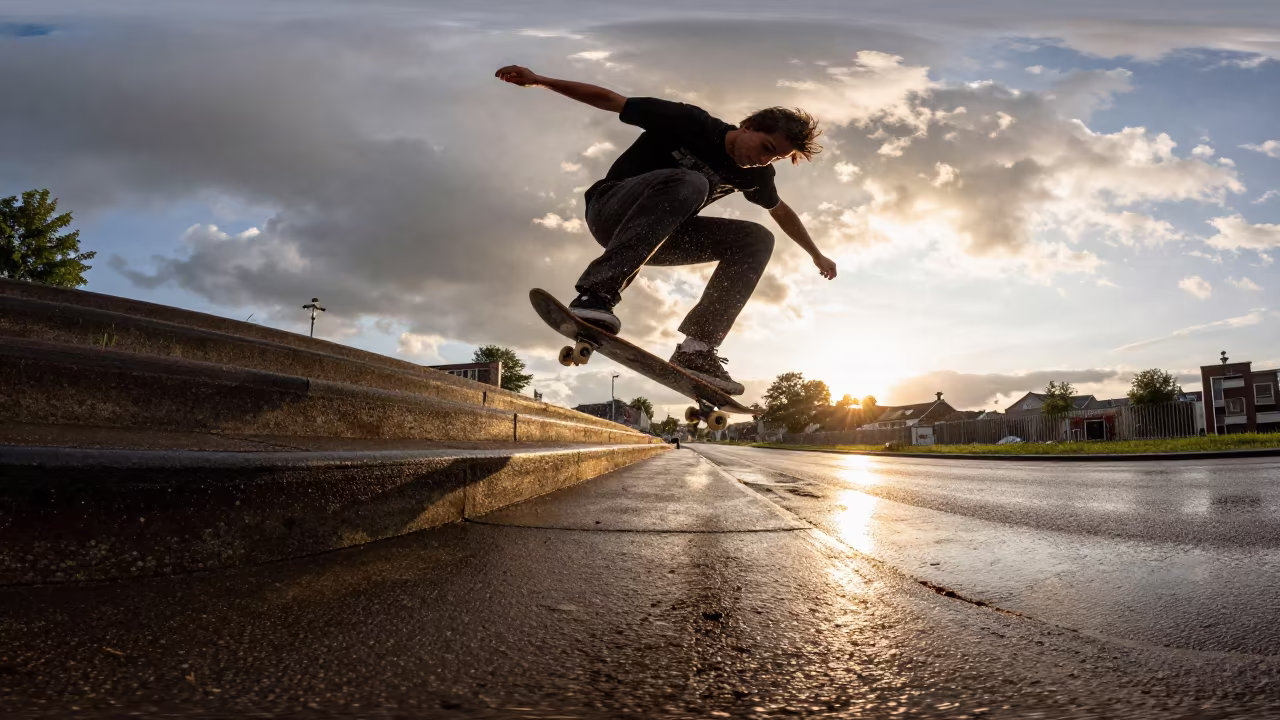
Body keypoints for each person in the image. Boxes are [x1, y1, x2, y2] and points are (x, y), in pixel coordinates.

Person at [496, 64, 837, 395]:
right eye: (766, 148)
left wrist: (816, 254)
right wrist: (539, 80)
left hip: (662, 238)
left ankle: (697, 349)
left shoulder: (756, 175)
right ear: (748, 126)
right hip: (611, 209)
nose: (764, 161)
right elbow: (610, 99)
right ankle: (596, 294)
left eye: (775, 158)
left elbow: (779, 211)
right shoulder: (691, 122)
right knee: (692, 181)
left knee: (756, 238)